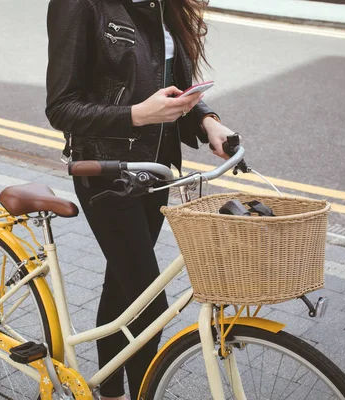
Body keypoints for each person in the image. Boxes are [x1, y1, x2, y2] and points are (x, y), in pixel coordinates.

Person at [45, 1, 235, 399]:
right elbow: (61, 107)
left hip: (157, 170)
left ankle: (108, 392)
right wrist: (136, 114)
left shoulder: (162, 5)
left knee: (124, 289)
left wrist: (207, 120)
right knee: (149, 304)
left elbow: (174, 86)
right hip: (107, 173)